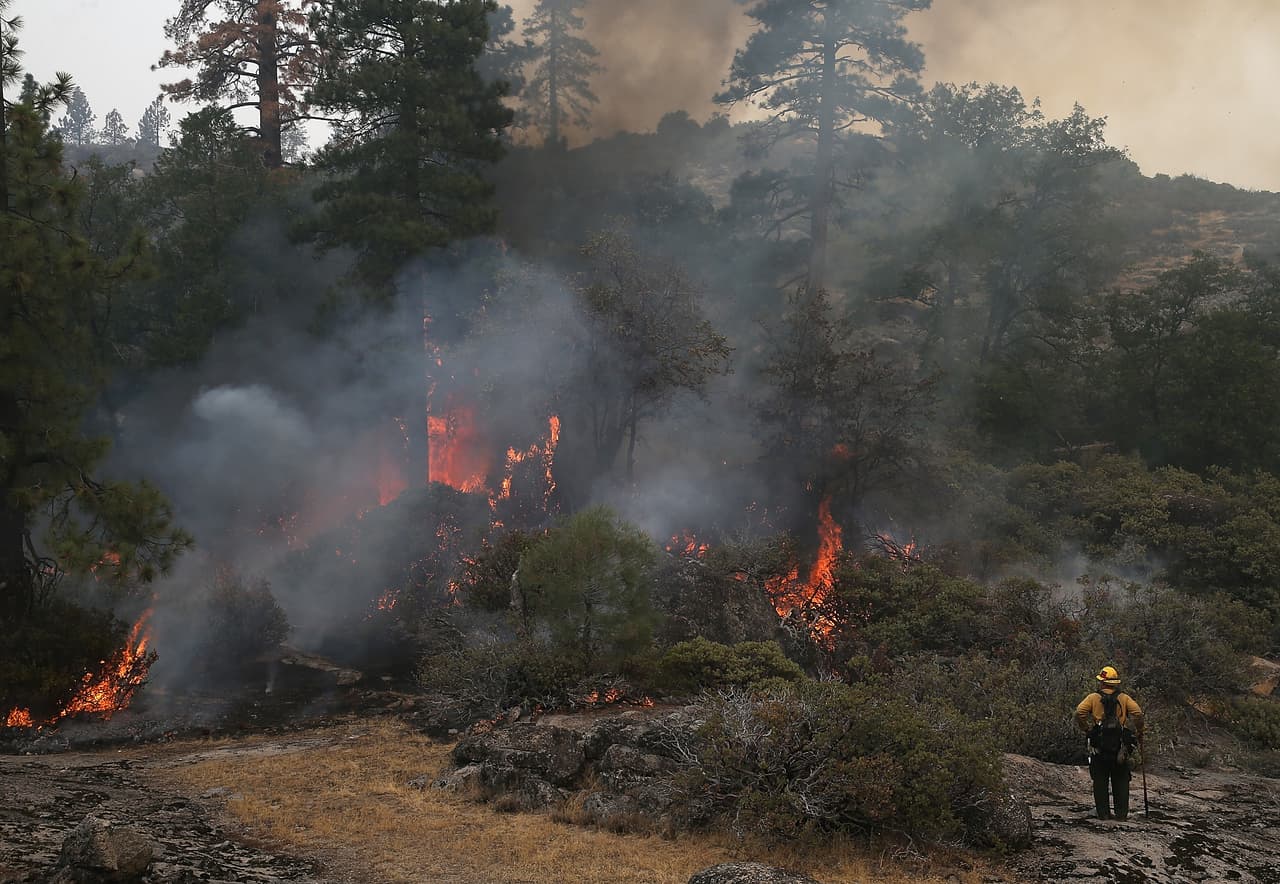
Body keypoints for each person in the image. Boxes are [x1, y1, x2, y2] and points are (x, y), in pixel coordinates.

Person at [1075, 664, 1144, 820]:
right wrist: (1140, 731)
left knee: (1100, 779)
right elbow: (1138, 714)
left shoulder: (1093, 698)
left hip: (1099, 745)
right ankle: (1121, 814)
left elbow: (1080, 712)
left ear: (1102, 682)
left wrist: (1086, 729)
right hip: (1120, 746)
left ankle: (1103, 814)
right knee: (1121, 779)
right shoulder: (1124, 698)